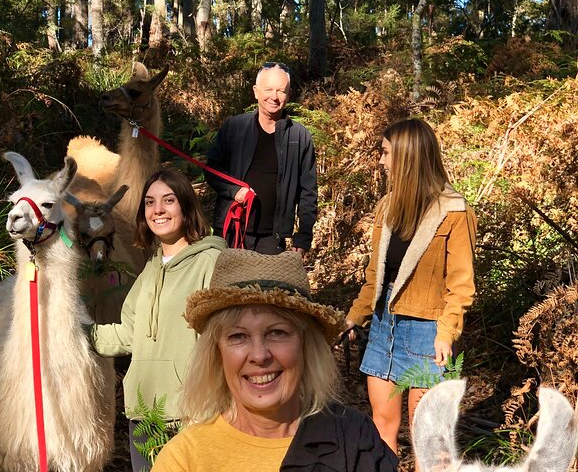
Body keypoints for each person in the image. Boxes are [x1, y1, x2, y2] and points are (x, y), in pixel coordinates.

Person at [152, 249, 399, 471]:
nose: (259, 355)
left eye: (277, 333)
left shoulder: (354, 441)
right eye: (238, 336)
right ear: (217, 352)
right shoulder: (184, 460)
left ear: (305, 345)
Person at [342, 118, 477, 459]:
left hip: (427, 331)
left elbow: (461, 284)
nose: (381, 161)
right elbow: (376, 274)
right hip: (384, 325)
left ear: (407, 158)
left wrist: (446, 333)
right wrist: (354, 319)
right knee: (382, 426)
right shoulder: (387, 207)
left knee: (425, 437)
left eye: (386, 153)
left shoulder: (454, 212)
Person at [86, 168, 227, 472]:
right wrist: (77, 333)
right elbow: (128, 334)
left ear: (187, 207)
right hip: (145, 414)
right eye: (149, 203)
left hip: (192, 415)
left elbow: (226, 340)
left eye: (168, 200)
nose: (158, 210)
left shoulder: (211, 262)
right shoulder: (150, 271)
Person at [206, 62, 317, 257]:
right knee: (227, 288)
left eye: (281, 91)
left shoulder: (300, 137)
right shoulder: (234, 127)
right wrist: (234, 191)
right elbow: (212, 169)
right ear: (256, 92)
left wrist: (304, 236)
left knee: (265, 288)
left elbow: (308, 192)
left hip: (271, 239)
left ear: (288, 95)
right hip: (231, 231)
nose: (274, 97)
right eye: (268, 90)